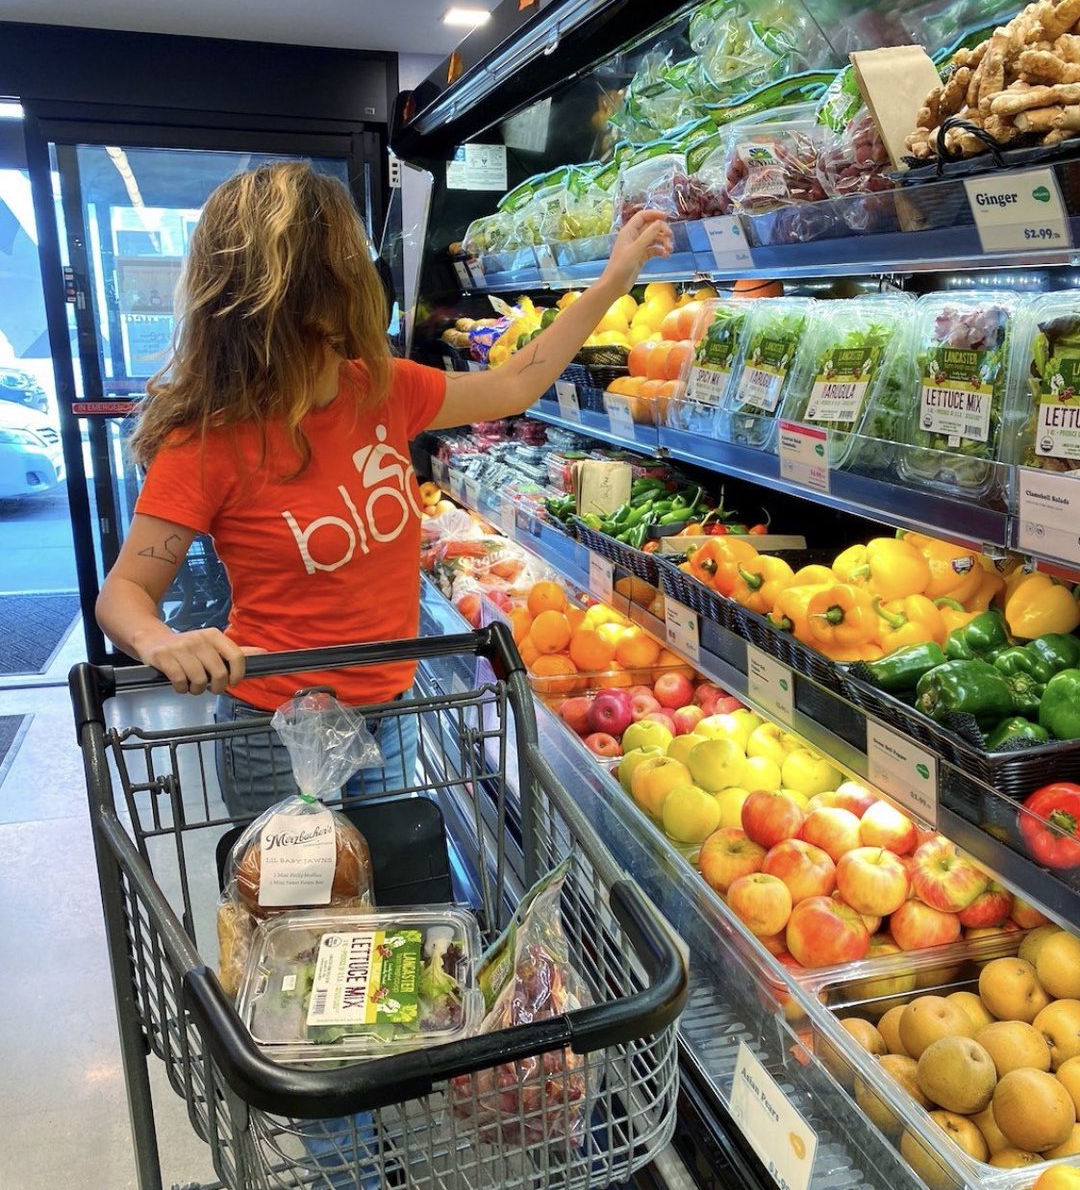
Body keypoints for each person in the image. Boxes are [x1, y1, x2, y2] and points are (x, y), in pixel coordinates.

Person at [96, 161, 673, 815]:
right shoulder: (212, 438)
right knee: (306, 914)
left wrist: (612, 281)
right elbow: (125, 592)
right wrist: (163, 641)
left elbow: (514, 384)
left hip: (392, 711)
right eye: (351, 260)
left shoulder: (379, 388)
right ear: (311, 291)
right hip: (279, 732)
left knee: (393, 898)